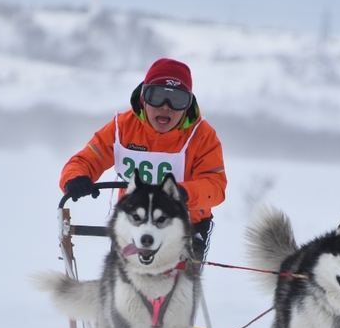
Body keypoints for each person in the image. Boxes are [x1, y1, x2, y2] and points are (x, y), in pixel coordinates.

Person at [60, 58, 227, 262]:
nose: (166, 107)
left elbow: (215, 186)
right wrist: (76, 177)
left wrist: (183, 193)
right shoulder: (122, 128)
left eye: (177, 100)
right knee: (126, 287)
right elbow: (87, 159)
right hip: (132, 222)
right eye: (157, 96)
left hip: (184, 224)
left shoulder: (202, 136)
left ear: (187, 105)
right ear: (144, 98)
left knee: (176, 290)